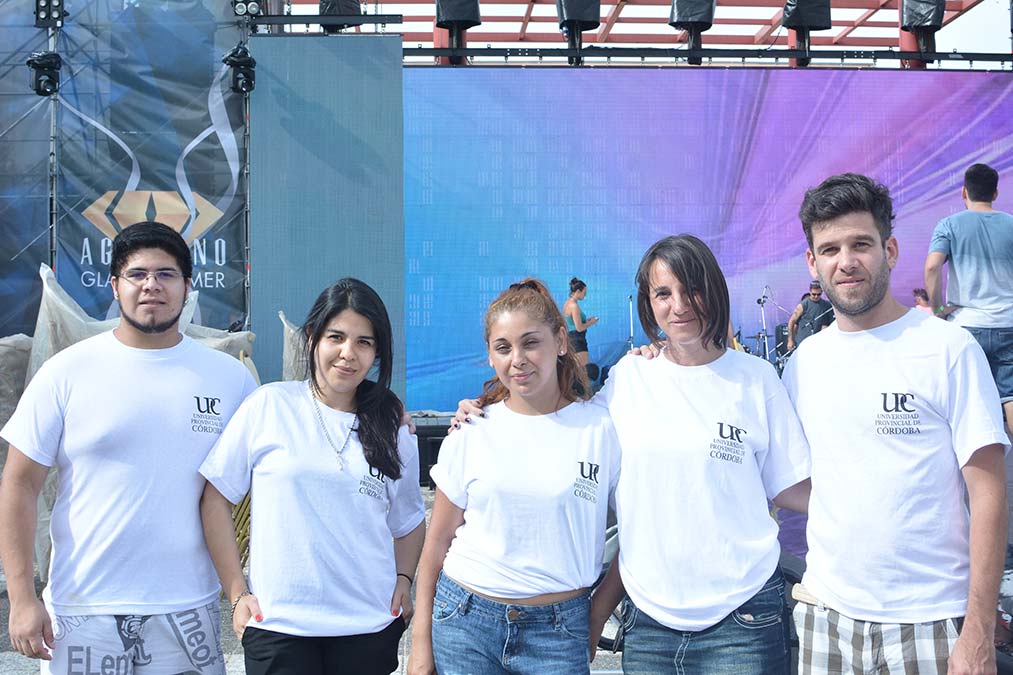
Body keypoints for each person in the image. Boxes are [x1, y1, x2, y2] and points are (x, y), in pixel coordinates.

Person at [452, 238, 812, 674]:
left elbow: (791, 487)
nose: (679, 305)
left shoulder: (756, 378)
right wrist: (484, 411)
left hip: (743, 616)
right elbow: (557, 422)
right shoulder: (629, 378)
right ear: (648, 303)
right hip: (649, 624)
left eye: (692, 289)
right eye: (663, 293)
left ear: (714, 290)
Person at [0, 221, 257, 673]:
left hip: (187, 608)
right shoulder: (66, 372)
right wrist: (22, 598)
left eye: (166, 274)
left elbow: (274, 466)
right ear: (115, 285)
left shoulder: (229, 378)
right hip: (83, 610)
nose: (151, 285)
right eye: (137, 274)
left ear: (187, 287)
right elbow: (19, 484)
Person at [786, 173, 1009, 674]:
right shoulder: (804, 363)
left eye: (861, 244)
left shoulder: (948, 349)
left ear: (889, 250)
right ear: (813, 263)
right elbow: (796, 479)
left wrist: (978, 630)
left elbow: (989, 492)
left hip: (929, 619)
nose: (846, 261)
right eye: (830, 249)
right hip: (826, 615)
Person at [199, 278, 426, 675]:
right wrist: (237, 593)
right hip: (278, 627)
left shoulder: (393, 427)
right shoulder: (270, 405)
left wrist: (404, 579)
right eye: (335, 337)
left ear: (377, 352)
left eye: (364, 342)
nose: (348, 353)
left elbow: (408, 521)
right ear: (311, 338)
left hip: (367, 627)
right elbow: (215, 498)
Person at [407, 278, 621, 675]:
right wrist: (420, 645)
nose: (517, 359)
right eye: (503, 347)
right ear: (490, 356)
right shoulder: (471, 430)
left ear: (561, 341)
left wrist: (595, 617)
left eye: (531, 343)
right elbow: (436, 544)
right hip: (466, 623)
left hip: (560, 633)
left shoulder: (602, 429)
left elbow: (637, 534)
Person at [924, 162, 1013, 437]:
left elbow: (932, 267)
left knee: (967, 399)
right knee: (1010, 396)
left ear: (964, 192)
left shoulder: (949, 225)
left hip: (965, 326)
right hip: (1008, 323)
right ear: (995, 193)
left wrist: (938, 308)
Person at [786, 280, 834, 352]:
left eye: (819, 294)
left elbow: (829, 324)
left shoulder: (826, 305)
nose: (816, 296)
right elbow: (792, 321)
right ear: (810, 291)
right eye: (814, 294)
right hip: (803, 342)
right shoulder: (804, 304)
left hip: (819, 343)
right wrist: (790, 340)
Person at [563, 277, 598, 367]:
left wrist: (586, 320)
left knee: (576, 369)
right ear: (578, 291)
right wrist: (591, 322)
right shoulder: (574, 306)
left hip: (571, 338)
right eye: (584, 293)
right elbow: (579, 328)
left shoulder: (567, 303)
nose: (585, 296)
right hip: (577, 339)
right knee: (583, 369)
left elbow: (572, 322)